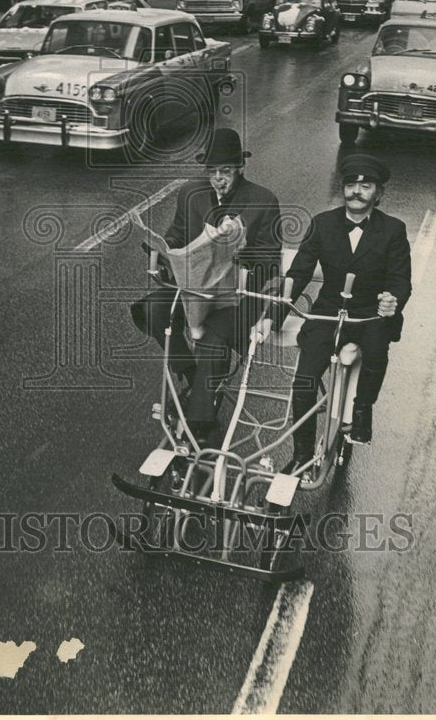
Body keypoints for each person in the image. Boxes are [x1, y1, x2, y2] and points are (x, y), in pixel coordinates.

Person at [257, 153, 411, 475]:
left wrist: (391, 301)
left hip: (368, 315)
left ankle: (363, 408)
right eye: (350, 184)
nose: (356, 191)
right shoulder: (323, 223)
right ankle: (301, 455)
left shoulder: (393, 230)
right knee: (303, 381)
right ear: (343, 189)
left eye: (365, 186)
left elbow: (400, 281)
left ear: (378, 194)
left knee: (376, 352)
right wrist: (273, 315)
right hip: (328, 312)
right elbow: (298, 273)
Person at [131, 129, 282, 442]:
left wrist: (241, 251)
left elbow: (271, 258)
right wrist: (161, 249)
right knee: (152, 310)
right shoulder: (191, 193)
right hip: (195, 288)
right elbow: (177, 234)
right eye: (212, 172)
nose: (218, 179)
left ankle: (201, 424)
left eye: (225, 171)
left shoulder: (263, 200)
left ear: (240, 167)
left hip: (237, 296)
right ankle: (192, 375)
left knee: (214, 336)